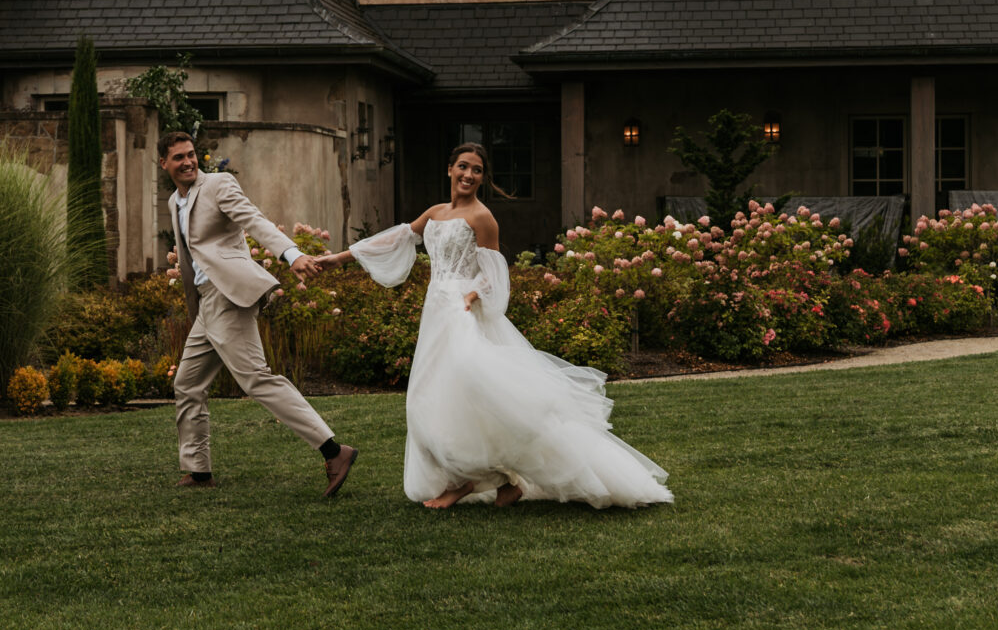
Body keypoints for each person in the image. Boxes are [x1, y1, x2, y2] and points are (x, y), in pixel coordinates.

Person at [301, 143, 671, 510]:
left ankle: (466, 482)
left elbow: (495, 275)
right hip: (437, 314)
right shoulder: (434, 213)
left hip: (462, 315)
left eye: (477, 170)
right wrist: (338, 258)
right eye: (463, 166)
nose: (468, 175)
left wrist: (472, 295)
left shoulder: (482, 218)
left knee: (455, 397)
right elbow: (396, 238)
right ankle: (505, 483)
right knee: (427, 400)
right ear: (450, 169)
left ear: (482, 177)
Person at [160, 130, 358, 497]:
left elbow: (255, 220)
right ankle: (198, 471)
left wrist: (291, 253)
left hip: (228, 295)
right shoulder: (175, 201)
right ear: (164, 163)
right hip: (207, 302)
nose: (186, 162)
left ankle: (334, 452)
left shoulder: (218, 185)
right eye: (178, 157)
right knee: (187, 383)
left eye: (190, 155)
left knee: (257, 380)